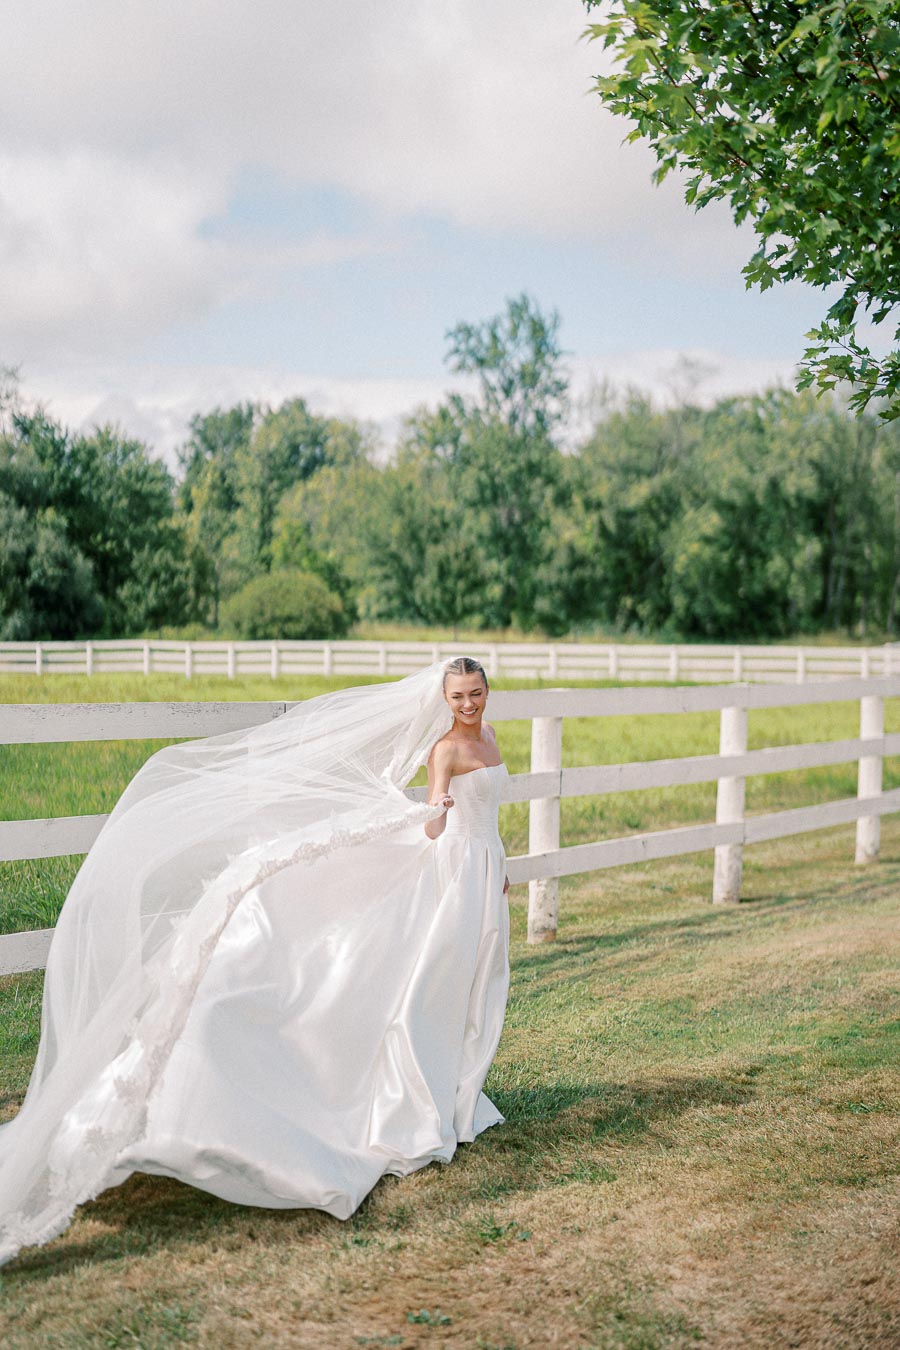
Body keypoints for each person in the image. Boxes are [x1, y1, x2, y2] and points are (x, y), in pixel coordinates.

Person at [0, 656, 509, 1265]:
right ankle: (414, 1103)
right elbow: (434, 823)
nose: (469, 704)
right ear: (444, 698)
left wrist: (497, 866)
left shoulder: (493, 738)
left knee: (472, 982)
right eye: (458, 696)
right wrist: (420, 823)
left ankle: (456, 1096)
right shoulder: (445, 750)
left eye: (476, 693)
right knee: (430, 985)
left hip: (483, 871)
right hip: (450, 872)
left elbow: (492, 815)